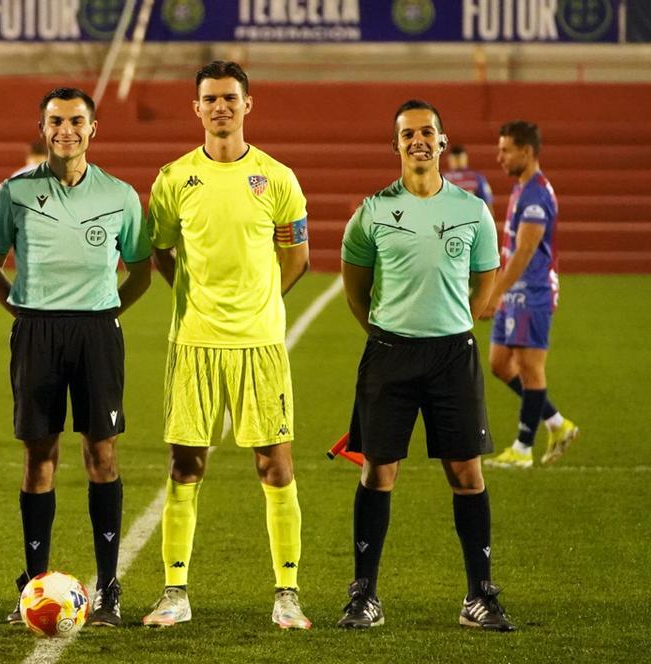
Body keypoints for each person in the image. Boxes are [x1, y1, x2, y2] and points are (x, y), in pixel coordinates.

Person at [141, 61, 312, 630]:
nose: (221, 107)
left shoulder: (277, 178)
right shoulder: (173, 179)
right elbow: (160, 249)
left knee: (275, 464)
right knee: (185, 463)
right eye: (211, 99)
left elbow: (298, 256)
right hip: (194, 341)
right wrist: (193, 298)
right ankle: (175, 593)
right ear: (197, 108)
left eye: (230, 98)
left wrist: (263, 301)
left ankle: (287, 593)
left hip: (260, 344)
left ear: (247, 105)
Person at [338, 99, 514, 632]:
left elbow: (485, 279)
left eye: (427, 132)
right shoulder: (371, 212)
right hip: (389, 353)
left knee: (467, 472)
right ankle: (364, 595)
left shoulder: (472, 210)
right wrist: (386, 331)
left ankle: (479, 595)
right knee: (378, 471)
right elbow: (355, 287)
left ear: (442, 141)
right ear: (395, 144)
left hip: (452, 356)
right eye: (408, 133)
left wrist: (458, 320)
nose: (418, 140)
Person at [0, 87, 152, 627]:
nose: (66, 131)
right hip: (36, 331)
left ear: (93, 128)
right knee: (39, 456)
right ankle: (33, 586)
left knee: (102, 453)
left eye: (76, 121)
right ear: (42, 128)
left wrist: (105, 313)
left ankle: (109, 589)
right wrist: (26, 315)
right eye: (56, 122)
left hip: (97, 332)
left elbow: (140, 271)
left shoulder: (120, 195)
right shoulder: (13, 192)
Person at [483, 120, 579, 468]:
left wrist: (495, 293)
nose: (499, 157)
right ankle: (556, 422)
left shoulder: (537, 195)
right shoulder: (522, 187)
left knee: (529, 368)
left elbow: (525, 251)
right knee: (499, 363)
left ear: (526, 151)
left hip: (532, 292)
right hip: (514, 292)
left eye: (505, 151)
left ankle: (522, 449)